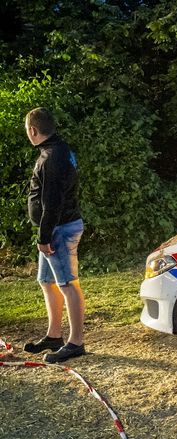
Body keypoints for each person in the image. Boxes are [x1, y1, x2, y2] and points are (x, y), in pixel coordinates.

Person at [23, 107, 86, 363]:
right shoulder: (59, 150)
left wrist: (44, 237)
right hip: (54, 228)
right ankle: (54, 335)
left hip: (59, 229)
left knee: (68, 284)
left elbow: (52, 202)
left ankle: (76, 343)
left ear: (33, 130)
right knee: (47, 282)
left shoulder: (51, 157)